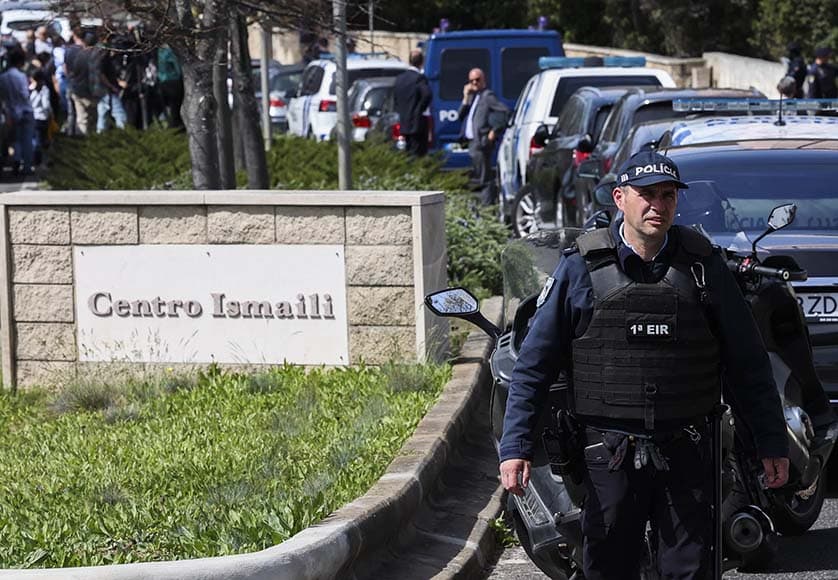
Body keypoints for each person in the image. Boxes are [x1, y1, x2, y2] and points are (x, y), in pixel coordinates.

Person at [499, 150, 790, 579]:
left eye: (668, 195)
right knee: (609, 567)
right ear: (620, 198)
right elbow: (535, 364)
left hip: (689, 448)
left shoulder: (703, 267)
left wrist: (771, 442)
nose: (658, 205)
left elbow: (748, 363)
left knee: (689, 569)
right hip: (608, 454)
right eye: (647, 194)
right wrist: (516, 447)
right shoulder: (581, 267)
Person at [0, 48, 35, 175]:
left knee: (15, 139)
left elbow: (2, 96)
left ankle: (16, 160)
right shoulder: (21, 76)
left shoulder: (3, 77)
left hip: (11, 112)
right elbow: (25, 94)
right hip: (25, 110)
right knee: (27, 139)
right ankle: (27, 166)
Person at [393, 49, 432, 157]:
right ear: (421, 62)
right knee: (418, 154)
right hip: (417, 124)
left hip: (404, 123)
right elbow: (427, 94)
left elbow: (395, 99)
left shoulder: (399, 79)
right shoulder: (419, 78)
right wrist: (419, 109)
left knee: (407, 153)